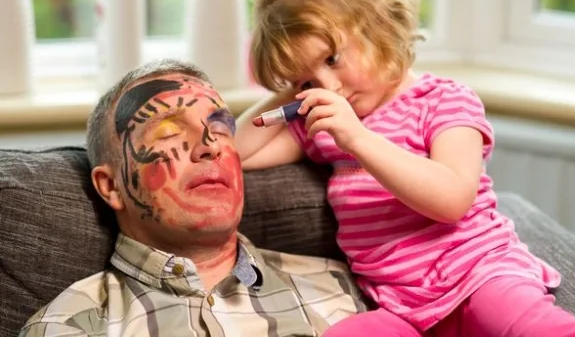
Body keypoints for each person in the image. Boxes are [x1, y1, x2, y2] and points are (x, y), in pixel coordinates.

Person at [235, 0, 575, 336]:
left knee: (527, 326)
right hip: (399, 304)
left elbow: (452, 200)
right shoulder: (328, 126)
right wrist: (292, 89)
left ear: (376, 26)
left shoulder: (443, 100)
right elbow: (239, 151)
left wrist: (358, 139)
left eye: (332, 58)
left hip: (479, 275)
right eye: (308, 82)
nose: (331, 87)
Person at [19, 59, 367, 337]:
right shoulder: (69, 327)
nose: (209, 146)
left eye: (219, 127)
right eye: (168, 131)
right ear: (110, 187)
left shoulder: (344, 292)